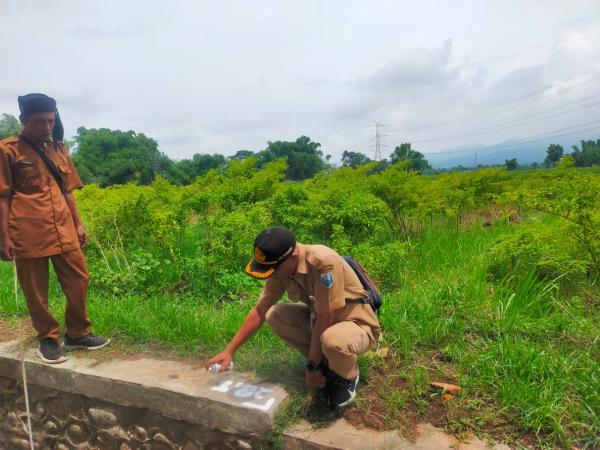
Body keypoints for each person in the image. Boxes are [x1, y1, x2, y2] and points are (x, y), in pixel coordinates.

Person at [206, 227, 381, 408]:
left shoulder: (323, 263)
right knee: (274, 315)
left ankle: (346, 377)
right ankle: (327, 364)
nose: (271, 274)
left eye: (273, 270)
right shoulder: (281, 266)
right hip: (321, 320)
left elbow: (325, 319)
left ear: (294, 257)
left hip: (355, 323)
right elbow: (260, 310)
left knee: (333, 340)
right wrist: (229, 351)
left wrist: (312, 366)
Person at [0, 93, 109, 364]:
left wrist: (79, 223)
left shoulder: (59, 148)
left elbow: (68, 190)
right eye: (39, 122)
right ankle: (48, 339)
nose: (46, 127)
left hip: (63, 227)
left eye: (50, 121)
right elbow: (3, 196)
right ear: (24, 120)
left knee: (79, 277)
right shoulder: (7, 150)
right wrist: (3, 237)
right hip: (27, 229)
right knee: (36, 289)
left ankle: (77, 333)